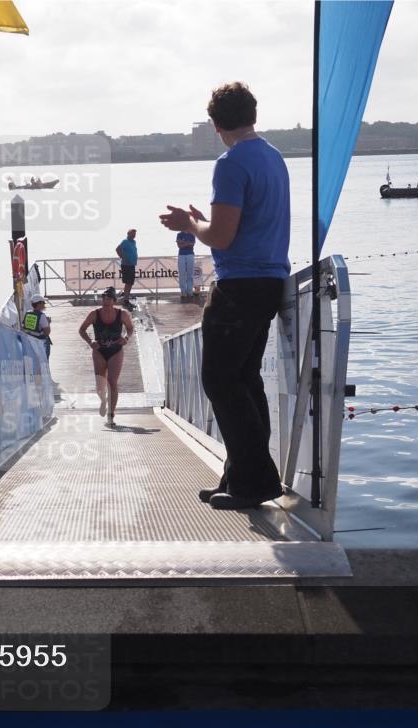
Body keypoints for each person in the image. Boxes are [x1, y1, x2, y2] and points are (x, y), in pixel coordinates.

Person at [159, 81, 289, 510]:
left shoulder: (231, 164)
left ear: (216, 124)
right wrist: (204, 221)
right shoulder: (273, 157)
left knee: (219, 380)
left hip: (239, 286)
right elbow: (242, 224)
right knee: (245, 381)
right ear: (253, 113)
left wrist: (188, 225)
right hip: (270, 280)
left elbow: (223, 237)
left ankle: (254, 482)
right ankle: (239, 476)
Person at [78, 287, 134, 425]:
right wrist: (90, 341)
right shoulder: (94, 314)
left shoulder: (122, 314)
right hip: (99, 351)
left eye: (109, 299)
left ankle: (111, 415)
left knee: (112, 382)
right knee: (100, 385)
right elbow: (82, 329)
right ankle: (103, 400)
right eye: (104, 298)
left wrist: (126, 338)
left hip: (116, 350)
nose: (106, 301)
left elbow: (130, 328)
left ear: (114, 301)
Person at [22, 293, 52, 359]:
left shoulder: (28, 313)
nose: (44, 304)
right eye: (43, 302)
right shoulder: (42, 316)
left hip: (30, 343)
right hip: (41, 344)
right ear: (39, 304)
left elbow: (24, 327)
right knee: (44, 364)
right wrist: (48, 322)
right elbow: (47, 332)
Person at [115, 229, 138, 309]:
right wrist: (123, 257)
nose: (134, 235)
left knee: (130, 283)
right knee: (128, 282)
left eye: (134, 234)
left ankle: (126, 298)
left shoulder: (134, 242)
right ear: (128, 234)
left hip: (132, 265)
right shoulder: (125, 241)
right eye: (132, 234)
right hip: (126, 265)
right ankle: (126, 300)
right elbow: (117, 249)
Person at [176, 230, 197, 301]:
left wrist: (184, 243)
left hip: (190, 254)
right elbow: (179, 245)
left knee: (190, 274)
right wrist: (187, 243)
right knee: (182, 274)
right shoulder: (179, 234)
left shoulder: (192, 234)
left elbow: (192, 244)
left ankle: (189, 292)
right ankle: (183, 292)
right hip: (181, 255)